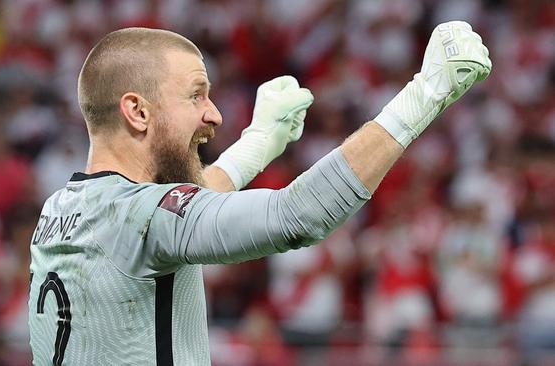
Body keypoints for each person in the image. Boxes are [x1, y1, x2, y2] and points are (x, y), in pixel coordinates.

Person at [28, 22, 491, 365]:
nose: (213, 115)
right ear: (138, 111)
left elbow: (175, 208)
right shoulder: (141, 218)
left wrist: (259, 142)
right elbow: (299, 215)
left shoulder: (62, 209)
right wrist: (425, 93)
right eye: (195, 95)